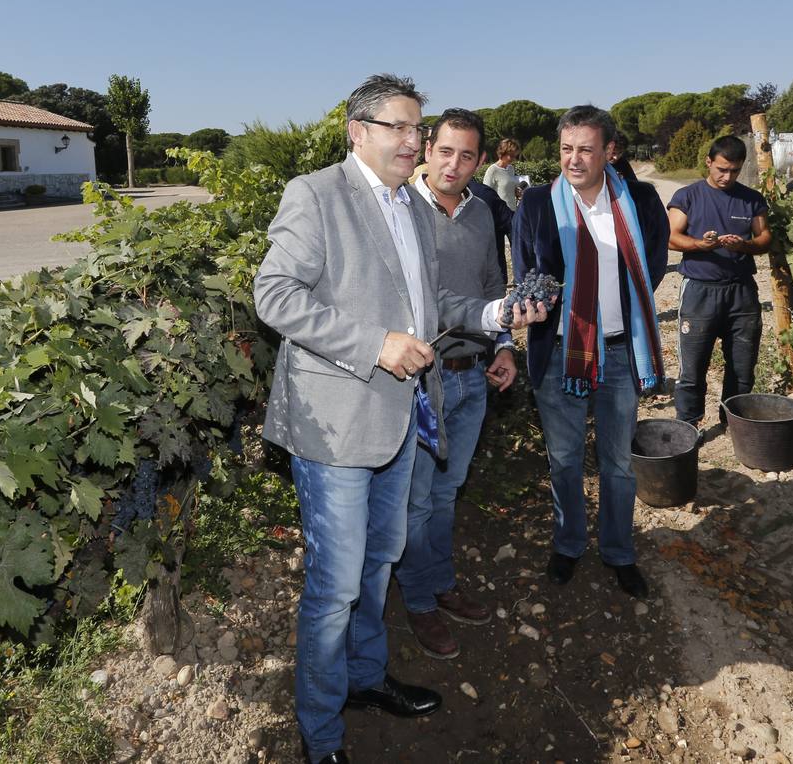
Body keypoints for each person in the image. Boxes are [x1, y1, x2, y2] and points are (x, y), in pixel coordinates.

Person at [254, 74, 546, 764]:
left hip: (404, 419)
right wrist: (374, 344)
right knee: (334, 584)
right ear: (358, 131)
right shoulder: (316, 194)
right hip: (335, 424)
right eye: (402, 128)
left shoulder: (410, 206)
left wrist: (494, 316)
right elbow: (272, 293)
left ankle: (364, 679)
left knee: (380, 562)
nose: (415, 142)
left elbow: (434, 300)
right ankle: (320, 735)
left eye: (419, 130)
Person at [512, 105, 669, 599]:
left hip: (621, 352)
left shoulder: (640, 199)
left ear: (609, 152)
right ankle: (569, 544)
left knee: (618, 462)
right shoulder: (537, 203)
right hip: (561, 353)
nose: (573, 159)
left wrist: (610, 312)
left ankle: (619, 552)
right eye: (565, 149)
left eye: (585, 149)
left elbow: (656, 263)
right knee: (563, 459)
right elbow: (526, 270)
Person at [398, 108, 517, 659]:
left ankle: (439, 583)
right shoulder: (401, 209)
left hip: (474, 379)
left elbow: (496, 282)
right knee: (418, 501)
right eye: (445, 151)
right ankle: (419, 601)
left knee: (447, 494)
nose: (454, 164)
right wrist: (492, 316)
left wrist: (507, 347)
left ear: (481, 161)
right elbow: (428, 300)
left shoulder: (480, 213)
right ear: (427, 149)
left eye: (467, 155)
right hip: (424, 383)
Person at [667, 136, 771, 429]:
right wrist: (701, 244)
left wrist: (744, 246)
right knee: (692, 368)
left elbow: (764, 238)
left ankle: (735, 424)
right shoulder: (687, 196)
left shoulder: (751, 199)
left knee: (742, 365)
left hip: (741, 291)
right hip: (700, 290)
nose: (727, 177)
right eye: (721, 169)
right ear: (708, 162)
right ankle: (688, 426)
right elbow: (672, 236)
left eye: (734, 171)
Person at [466, 179, 514, 283]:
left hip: (489, 279)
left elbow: (512, 226)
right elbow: (514, 227)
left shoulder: (483, 194)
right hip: (491, 277)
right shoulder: (484, 193)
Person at [483, 137, 522, 210]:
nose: (513, 159)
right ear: (503, 152)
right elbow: (486, 194)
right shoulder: (492, 170)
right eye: (511, 156)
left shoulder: (511, 169)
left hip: (512, 212)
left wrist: (516, 192)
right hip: (499, 214)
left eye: (515, 156)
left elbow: (507, 189)